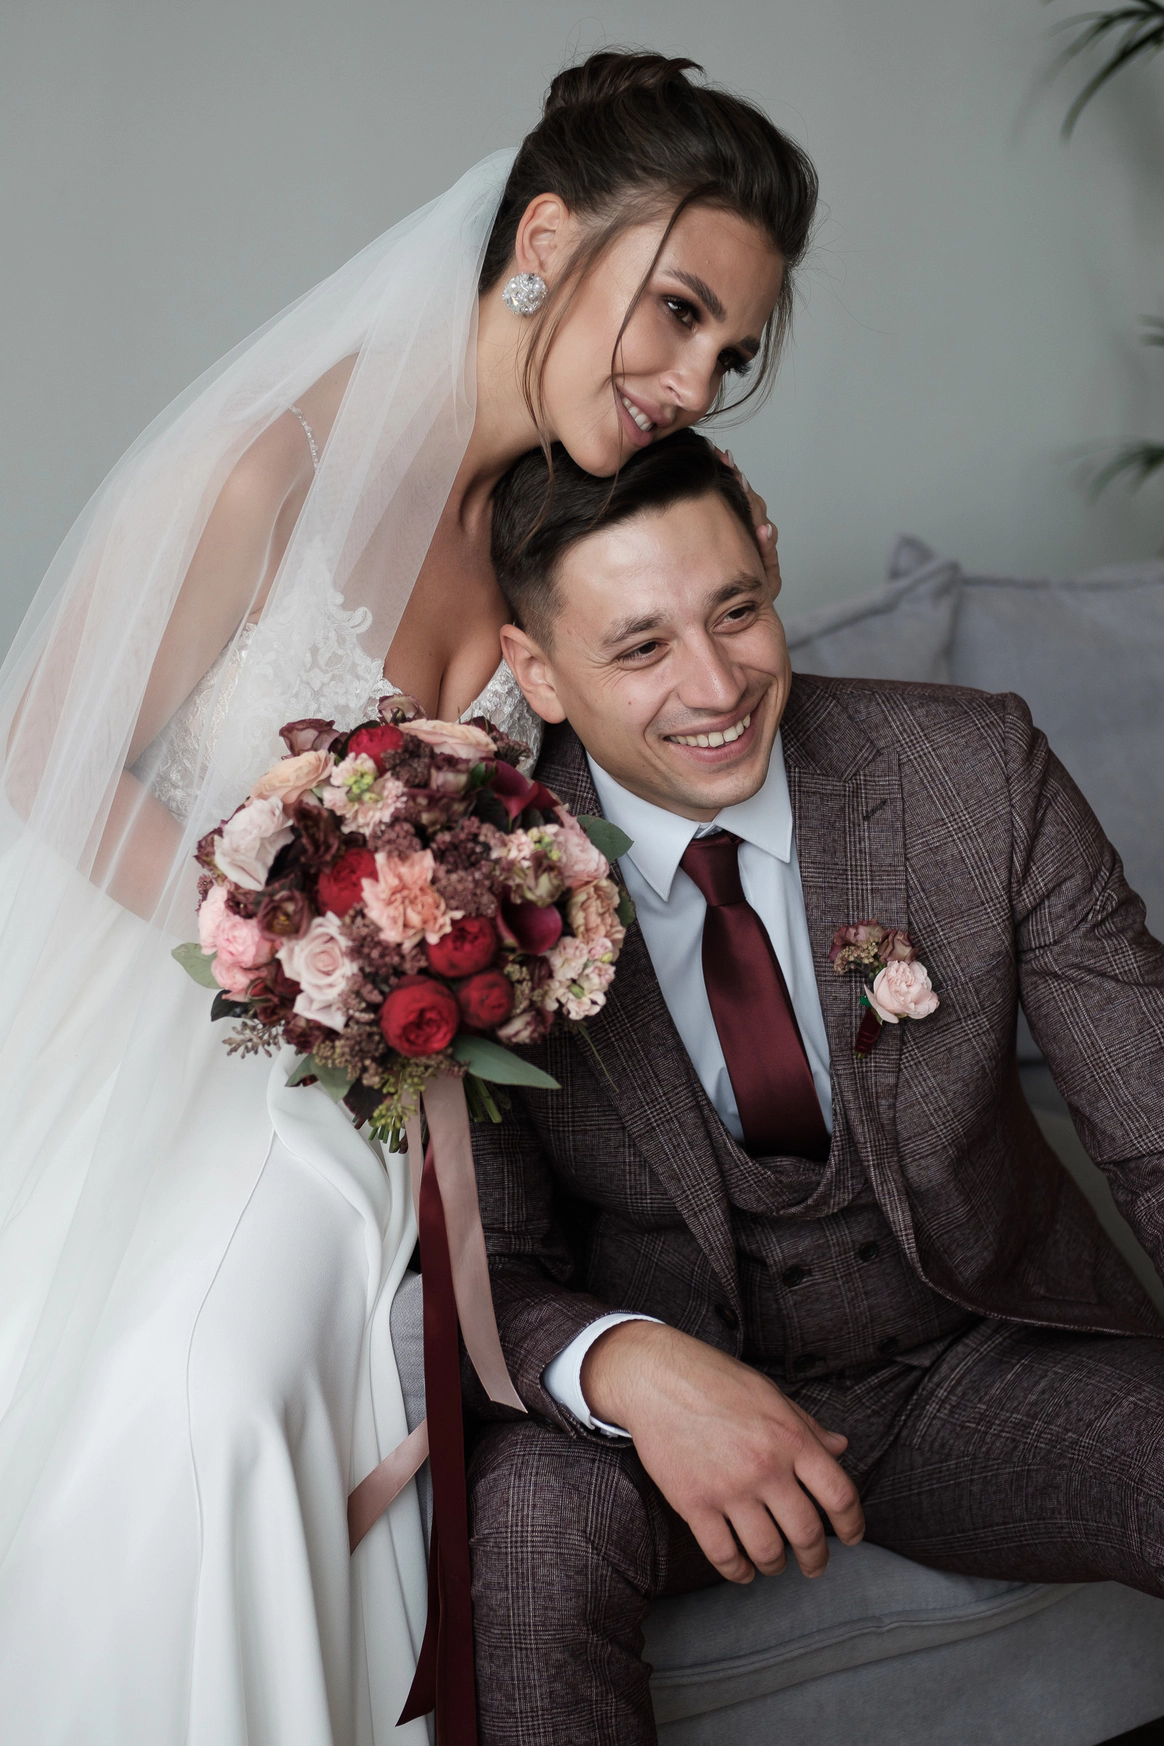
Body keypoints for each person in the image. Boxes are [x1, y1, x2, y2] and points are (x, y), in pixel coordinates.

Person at [0, 52, 818, 1746]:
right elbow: (41, 762)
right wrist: (294, 952)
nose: (693, 381)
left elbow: (669, 729)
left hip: (406, 1084)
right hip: (187, 1029)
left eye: (729, 352)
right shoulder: (270, 470)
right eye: (676, 312)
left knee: (308, 1359)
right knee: (210, 1399)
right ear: (546, 238)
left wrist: (731, 570)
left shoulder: (548, 526)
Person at [467, 429, 1164, 1745]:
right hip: (669, 1417)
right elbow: (478, 1264)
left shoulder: (973, 771)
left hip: (975, 1359)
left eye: (736, 611)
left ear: (771, 556)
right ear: (537, 670)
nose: (716, 684)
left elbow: (1155, 1125)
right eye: (641, 646)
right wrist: (627, 1367)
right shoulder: (468, 887)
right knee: (531, 1528)